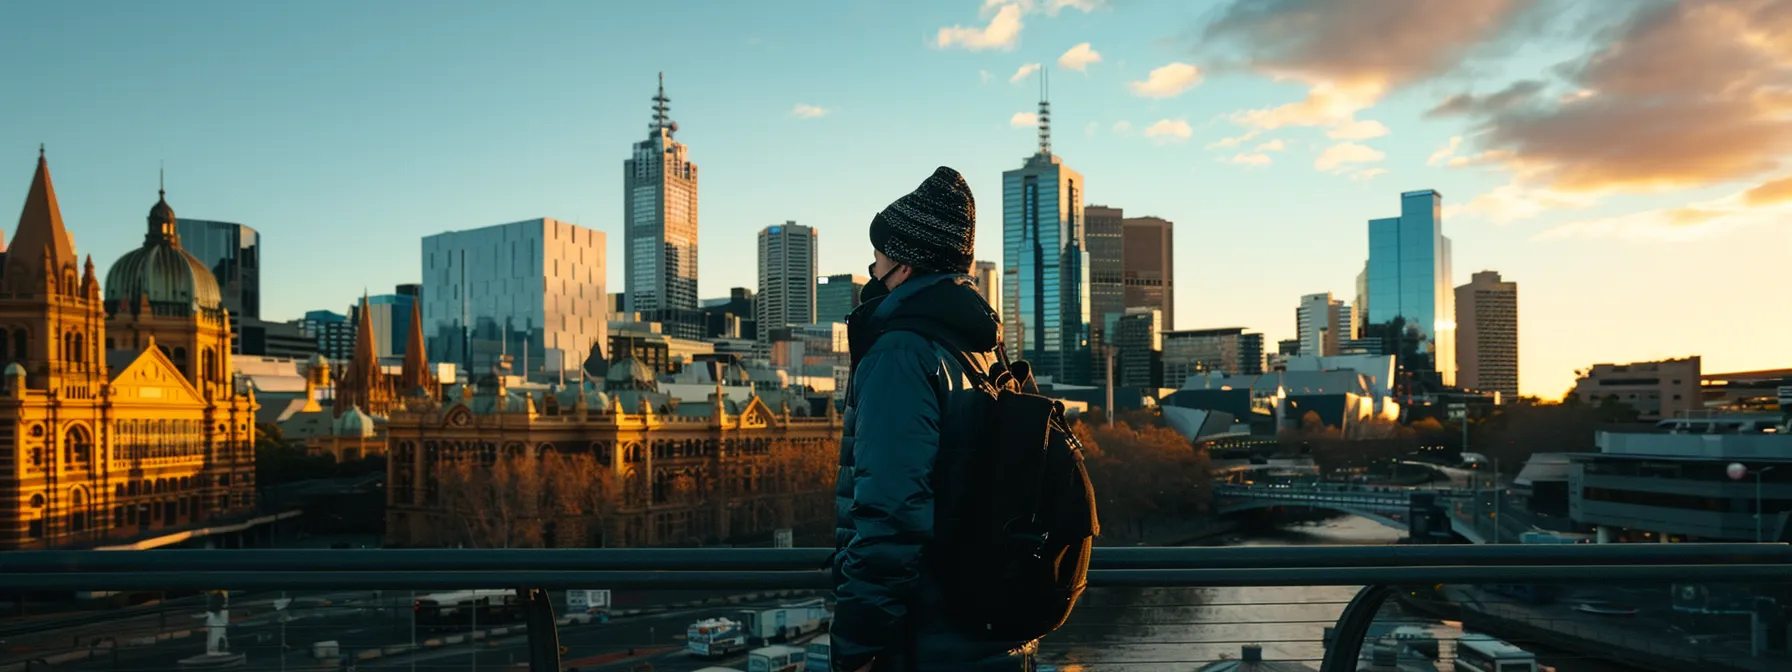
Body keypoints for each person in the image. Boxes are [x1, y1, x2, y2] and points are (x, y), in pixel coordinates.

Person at [831, 166, 1035, 672]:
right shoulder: (983, 345)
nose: (871, 263)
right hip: (992, 623)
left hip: (926, 633)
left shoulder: (901, 353)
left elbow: (892, 513)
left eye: (878, 250)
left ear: (903, 262)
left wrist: (857, 644)